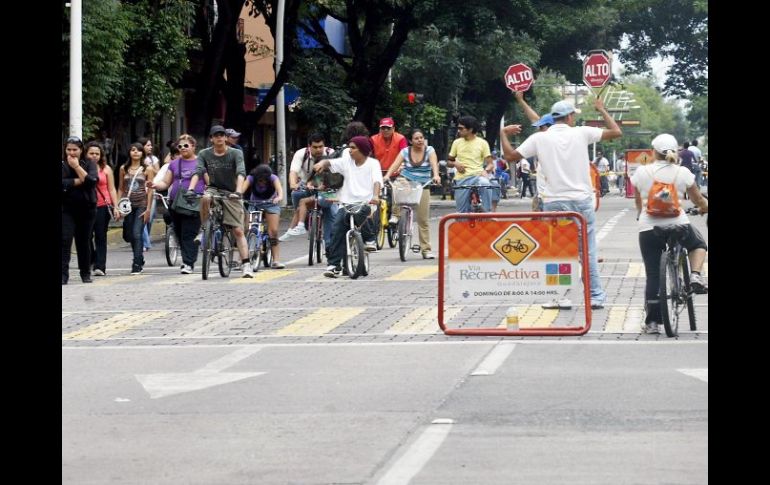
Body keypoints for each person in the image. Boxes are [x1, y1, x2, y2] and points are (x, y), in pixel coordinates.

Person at [500, 98, 622, 309]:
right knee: (588, 252)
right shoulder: (582, 133)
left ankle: (559, 296)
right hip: (582, 201)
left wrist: (503, 134)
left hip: (554, 202)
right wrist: (602, 110)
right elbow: (616, 131)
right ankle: (595, 296)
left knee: (558, 252)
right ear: (569, 117)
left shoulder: (539, 138)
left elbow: (510, 156)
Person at [630, 133, 709, 334]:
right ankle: (696, 276)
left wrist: (641, 214)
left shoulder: (641, 172)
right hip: (678, 224)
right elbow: (698, 200)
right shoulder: (682, 172)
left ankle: (652, 323)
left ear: (653, 152)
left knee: (653, 274)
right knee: (698, 244)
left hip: (649, 228)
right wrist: (703, 207)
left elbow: (638, 202)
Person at [187, 125, 254, 277]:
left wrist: (238, 191)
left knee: (237, 230)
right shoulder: (204, 154)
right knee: (205, 197)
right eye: (215, 135)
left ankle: (246, 265)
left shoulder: (235, 153)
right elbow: (198, 171)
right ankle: (204, 231)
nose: (219, 138)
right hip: (214, 189)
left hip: (231, 192)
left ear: (225, 137)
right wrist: (191, 189)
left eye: (221, 135)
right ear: (211, 139)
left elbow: (241, 172)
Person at [312, 136, 382, 278]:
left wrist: (375, 196)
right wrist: (321, 164)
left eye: (353, 148)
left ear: (363, 149)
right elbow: (329, 162)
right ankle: (334, 265)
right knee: (337, 230)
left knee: (364, 213)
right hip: (346, 203)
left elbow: (377, 181)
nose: (350, 150)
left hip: (366, 202)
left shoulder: (373, 164)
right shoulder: (346, 162)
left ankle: (370, 239)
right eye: (349, 147)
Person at [149, 134, 205, 274]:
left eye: (186, 145)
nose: (182, 148)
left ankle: (188, 263)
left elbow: (209, 182)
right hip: (176, 203)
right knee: (179, 232)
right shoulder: (174, 164)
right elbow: (166, 183)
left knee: (188, 233)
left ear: (193, 146)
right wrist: (155, 185)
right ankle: (188, 258)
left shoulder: (201, 162)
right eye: (180, 146)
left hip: (194, 203)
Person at [384, 128, 441, 259]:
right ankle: (395, 215)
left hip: (423, 185)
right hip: (407, 181)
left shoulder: (429, 150)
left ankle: (426, 250)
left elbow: (434, 164)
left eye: (421, 137)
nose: (420, 140)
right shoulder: (405, 151)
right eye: (416, 138)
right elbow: (395, 165)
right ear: (410, 141)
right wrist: (387, 175)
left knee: (423, 220)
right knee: (397, 185)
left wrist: (436, 175)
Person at [279, 133, 336, 241]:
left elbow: (336, 174)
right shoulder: (301, 154)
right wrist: (293, 185)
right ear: (309, 146)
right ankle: (302, 222)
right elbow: (293, 172)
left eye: (321, 147)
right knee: (296, 195)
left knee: (332, 213)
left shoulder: (331, 153)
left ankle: (329, 242)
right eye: (315, 147)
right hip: (306, 185)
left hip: (326, 189)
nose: (318, 150)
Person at [62, 136, 98, 284]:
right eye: (69, 149)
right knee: (65, 240)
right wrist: (77, 181)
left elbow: (91, 182)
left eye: (75, 150)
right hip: (66, 209)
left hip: (87, 208)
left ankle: (85, 273)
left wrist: (77, 167)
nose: (71, 153)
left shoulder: (89, 163)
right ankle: (63, 275)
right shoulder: (62, 164)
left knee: (84, 241)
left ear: (81, 150)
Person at [447, 115, 498, 213]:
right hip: (461, 179)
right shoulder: (456, 143)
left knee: (487, 184)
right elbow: (449, 162)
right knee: (461, 214)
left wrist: (485, 171)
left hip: (477, 176)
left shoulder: (483, 143)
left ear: (470, 129)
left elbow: (491, 164)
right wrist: (456, 164)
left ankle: (487, 214)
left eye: (461, 128)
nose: (458, 130)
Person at [118, 143, 154, 274]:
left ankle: (137, 263)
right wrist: (118, 206)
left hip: (141, 204)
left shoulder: (147, 169)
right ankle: (140, 256)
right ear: (129, 152)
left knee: (137, 233)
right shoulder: (123, 168)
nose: (136, 152)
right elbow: (121, 188)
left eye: (139, 150)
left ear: (142, 154)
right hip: (127, 205)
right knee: (128, 235)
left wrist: (148, 208)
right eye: (133, 150)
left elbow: (150, 190)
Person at [242, 164, 286, 269]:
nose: (262, 182)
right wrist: (238, 196)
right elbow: (242, 190)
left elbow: (280, 191)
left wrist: (279, 197)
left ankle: (276, 260)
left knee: (273, 231)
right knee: (247, 228)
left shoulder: (273, 178)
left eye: (265, 180)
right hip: (254, 203)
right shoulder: (250, 178)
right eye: (260, 180)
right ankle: (242, 259)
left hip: (271, 203)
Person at [87, 142, 120, 277]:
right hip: (85, 207)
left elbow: (111, 188)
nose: (94, 156)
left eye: (97, 154)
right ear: (86, 154)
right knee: (86, 237)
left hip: (101, 206)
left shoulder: (106, 169)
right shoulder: (81, 168)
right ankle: (92, 258)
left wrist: (116, 206)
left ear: (101, 155)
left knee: (100, 236)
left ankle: (100, 266)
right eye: (91, 153)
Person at [371, 117, 408, 224]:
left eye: (388, 128)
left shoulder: (400, 139)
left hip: (396, 173)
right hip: (379, 173)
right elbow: (369, 156)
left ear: (393, 129)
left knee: (398, 189)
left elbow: (404, 154)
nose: (385, 130)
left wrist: (402, 165)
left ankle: (395, 215)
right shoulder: (373, 139)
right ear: (379, 129)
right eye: (383, 128)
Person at [138, 137, 160, 251]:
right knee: (142, 218)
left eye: (151, 145)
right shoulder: (136, 159)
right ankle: (144, 243)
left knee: (149, 218)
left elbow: (159, 173)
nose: (150, 147)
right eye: (148, 145)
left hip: (152, 190)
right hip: (140, 192)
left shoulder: (153, 159)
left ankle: (145, 240)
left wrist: (150, 167)